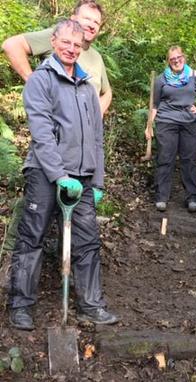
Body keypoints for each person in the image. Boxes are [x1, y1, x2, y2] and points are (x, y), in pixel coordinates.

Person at [8, 19, 118, 330]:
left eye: (76, 43)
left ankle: (90, 305)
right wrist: (58, 176)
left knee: (87, 242)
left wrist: (97, 181)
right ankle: (21, 306)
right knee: (32, 237)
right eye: (65, 42)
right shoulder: (41, 80)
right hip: (45, 173)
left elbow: (96, 137)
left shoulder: (86, 84)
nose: (71, 48)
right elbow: (41, 133)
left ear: (83, 46)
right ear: (53, 42)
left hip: (82, 177)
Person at [2, 0, 112, 116]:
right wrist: (33, 82)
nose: (91, 25)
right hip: (55, 127)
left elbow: (107, 92)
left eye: (96, 22)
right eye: (87, 19)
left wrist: (96, 116)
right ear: (73, 18)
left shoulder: (96, 57)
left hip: (87, 131)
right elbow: (11, 45)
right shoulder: (58, 38)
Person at [147, 46, 196, 213]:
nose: (176, 61)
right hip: (166, 122)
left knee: (189, 160)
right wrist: (149, 125)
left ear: (184, 58)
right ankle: (161, 197)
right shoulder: (161, 79)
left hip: (189, 123)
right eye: (173, 59)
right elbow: (154, 105)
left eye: (179, 57)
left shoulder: (195, 76)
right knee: (165, 158)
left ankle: (192, 197)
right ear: (168, 62)